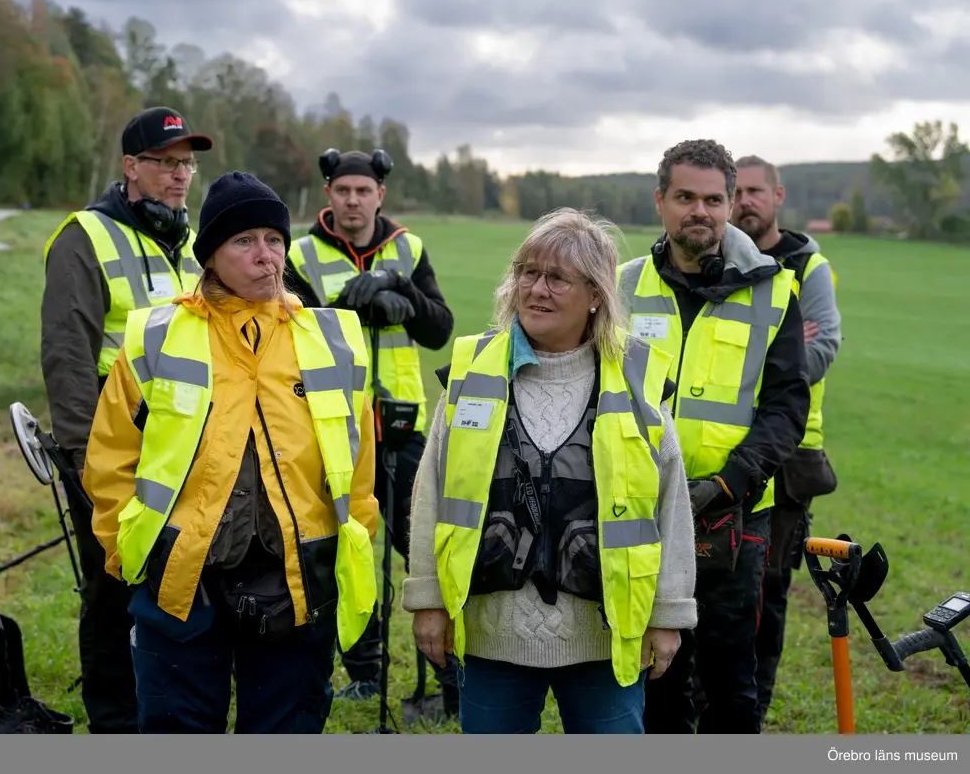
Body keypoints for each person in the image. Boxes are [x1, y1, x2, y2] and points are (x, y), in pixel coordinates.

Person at [80, 170, 381, 734]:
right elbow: (111, 457)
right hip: (180, 581)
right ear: (210, 257)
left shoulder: (332, 340)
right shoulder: (157, 336)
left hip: (297, 583)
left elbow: (358, 466)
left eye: (274, 240)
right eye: (243, 241)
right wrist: (125, 552)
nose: (264, 255)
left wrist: (351, 547)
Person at [401, 207, 698, 734]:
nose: (536, 288)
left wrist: (669, 614)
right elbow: (433, 492)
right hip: (492, 634)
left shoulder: (636, 384)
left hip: (606, 636)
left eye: (557, 278)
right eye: (527, 272)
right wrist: (426, 599)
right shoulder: (471, 376)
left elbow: (670, 504)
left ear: (596, 296)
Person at [616, 139, 811, 734]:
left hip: (736, 513)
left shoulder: (776, 290)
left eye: (712, 199)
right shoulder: (621, 287)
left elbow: (786, 407)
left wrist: (730, 482)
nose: (697, 211)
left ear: (730, 204)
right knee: (654, 676)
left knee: (731, 684)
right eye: (684, 198)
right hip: (641, 510)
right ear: (660, 202)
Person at [39, 106, 213, 734]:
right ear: (130, 167)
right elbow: (68, 355)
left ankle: (167, 711)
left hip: (186, 450)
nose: (179, 176)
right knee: (114, 594)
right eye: (165, 163)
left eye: (187, 163)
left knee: (180, 584)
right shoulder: (85, 237)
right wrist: (90, 464)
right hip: (112, 456)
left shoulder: (192, 241)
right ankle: (115, 724)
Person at [284, 148, 458, 711]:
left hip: (404, 424)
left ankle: (448, 671)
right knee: (344, 549)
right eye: (343, 191)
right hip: (332, 424)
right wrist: (345, 304)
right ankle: (365, 668)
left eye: (363, 191)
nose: (353, 200)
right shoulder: (299, 253)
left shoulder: (408, 248)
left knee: (421, 548)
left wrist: (400, 290)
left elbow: (440, 330)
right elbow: (293, 330)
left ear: (380, 195)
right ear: (328, 195)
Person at [732, 155, 841, 725]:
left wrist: (748, 378)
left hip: (790, 455)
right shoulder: (717, 260)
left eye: (756, 191)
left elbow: (821, 351)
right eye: (736, 191)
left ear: (777, 196)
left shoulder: (807, 267)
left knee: (766, 590)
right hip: (720, 446)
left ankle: (754, 707)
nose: (744, 201)